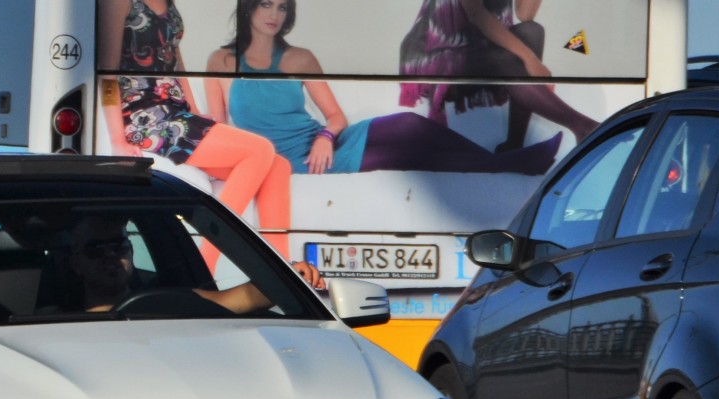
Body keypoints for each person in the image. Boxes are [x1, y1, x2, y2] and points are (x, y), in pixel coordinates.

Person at [206, 0, 561, 176]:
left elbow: (335, 117)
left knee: (409, 126)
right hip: (293, 163)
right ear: (248, 7)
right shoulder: (220, 62)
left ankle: (506, 160)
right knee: (405, 155)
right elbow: (218, 130)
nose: (274, 14)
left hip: (323, 145)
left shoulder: (300, 58)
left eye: (283, 7)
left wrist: (325, 137)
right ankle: (510, 165)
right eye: (266, 3)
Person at [98, 0, 293, 273]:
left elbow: (177, 62)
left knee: (278, 166)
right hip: (147, 117)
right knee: (259, 150)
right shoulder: (119, 3)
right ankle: (205, 264)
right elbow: (107, 75)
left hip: (177, 114)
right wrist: (118, 140)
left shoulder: (169, 4)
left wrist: (195, 110)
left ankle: (282, 272)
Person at [399, 0, 598, 150]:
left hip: (478, 46)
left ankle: (514, 144)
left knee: (532, 31)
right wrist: (531, 61)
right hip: (438, 52)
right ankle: (581, 125)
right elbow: (476, 14)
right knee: (504, 58)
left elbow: (525, 14)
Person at [62, 215, 321, 312]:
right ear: (76, 264)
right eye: (96, 249)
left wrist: (290, 274)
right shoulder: (55, 324)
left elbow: (244, 298)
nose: (110, 256)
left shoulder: (167, 302)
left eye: (118, 246)